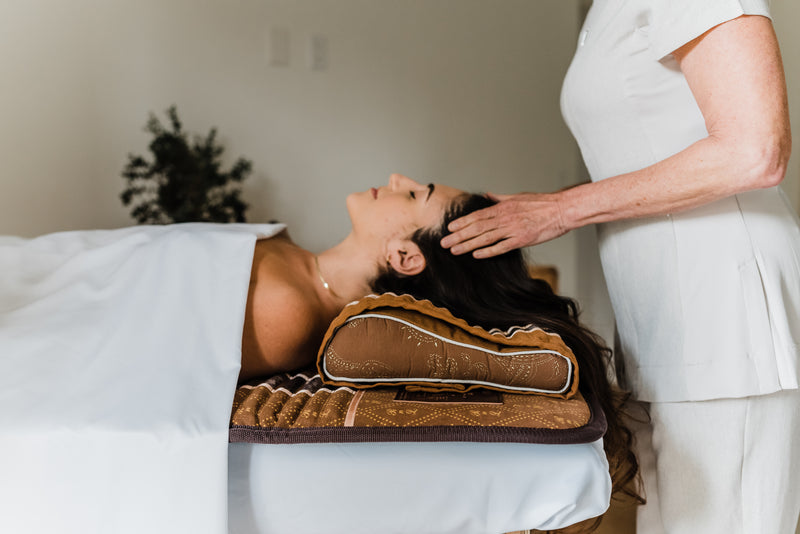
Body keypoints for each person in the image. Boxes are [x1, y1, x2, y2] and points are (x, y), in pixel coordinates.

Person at [440, 3, 800, 534]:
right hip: (660, 317)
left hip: (724, 311)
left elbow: (755, 151)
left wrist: (561, 211)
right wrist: (547, 205)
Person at [241, 173, 641, 526]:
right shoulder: (289, 253)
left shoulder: (284, 312)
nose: (398, 179)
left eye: (417, 195)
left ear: (405, 256)